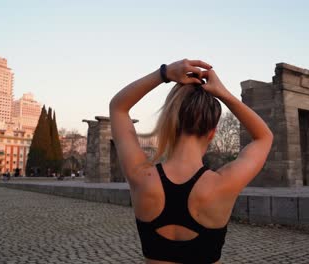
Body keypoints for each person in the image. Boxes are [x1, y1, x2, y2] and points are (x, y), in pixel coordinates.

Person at [109, 59, 273, 263]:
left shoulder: (141, 176)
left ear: (171, 120)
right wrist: (223, 94)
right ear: (212, 132)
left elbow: (118, 107)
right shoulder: (223, 183)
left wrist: (164, 73)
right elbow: (265, 136)